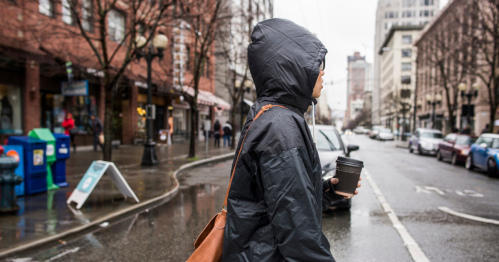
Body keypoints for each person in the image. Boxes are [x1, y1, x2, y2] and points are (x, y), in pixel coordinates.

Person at [222, 19, 360, 262]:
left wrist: (328, 191)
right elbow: (299, 236)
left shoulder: (273, 115)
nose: (322, 71)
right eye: (317, 64)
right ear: (295, 67)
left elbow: (279, 205)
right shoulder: (281, 125)